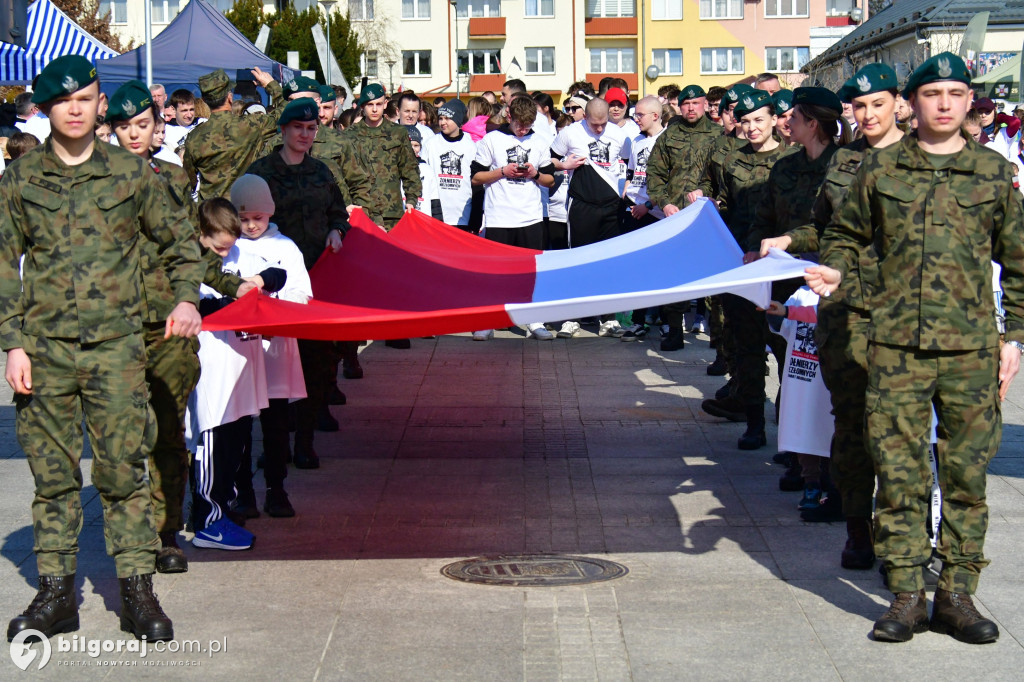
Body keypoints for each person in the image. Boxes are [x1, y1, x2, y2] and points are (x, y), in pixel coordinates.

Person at [805, 52, 1024, 645]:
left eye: (957, 92)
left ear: (969, 100)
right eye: (934, 93)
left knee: (965, 476)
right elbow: (845, 234)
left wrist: (1016, 339)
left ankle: (956, 594)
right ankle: (905, 593)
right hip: (895, 345)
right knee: (900, 474)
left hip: (971, 351)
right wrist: (834, 271)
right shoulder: (880, 171)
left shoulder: (993, 173)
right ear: (914, 102)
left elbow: (1020, 262)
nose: (946, 104)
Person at [1, 55, 204, 643]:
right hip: (44, 350)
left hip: (116, 350)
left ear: (97, 103)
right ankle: (56, 593)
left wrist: (186, 300)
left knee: (124, 473)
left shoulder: (131, 174)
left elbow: (179, 243)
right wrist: (12, 343)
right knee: (54, 476)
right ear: (45, 108)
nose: (75, 109)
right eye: (63, 102)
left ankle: (138, 589)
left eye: (86, 99)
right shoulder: (21, 178)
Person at [106, 79, 255, 572]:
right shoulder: (94, 179)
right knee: (123, 435)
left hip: (168, 324)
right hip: (113, 325)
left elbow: (188, 249)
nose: (133, 134)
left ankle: (166, 533)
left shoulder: (172, 178)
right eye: (123, 126)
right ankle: (131, 536)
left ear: (158, 125)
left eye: (142, 125)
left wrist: (234, 286)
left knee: (170, 430)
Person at [762, 63, 904, 565]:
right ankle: (857, 527)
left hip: (910, 320)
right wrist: (790, 240)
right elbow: (822, 229)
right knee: (849, 426)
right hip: (847, 316)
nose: (866, 114)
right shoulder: (842, 165)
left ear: (898, 105)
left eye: (877, 104)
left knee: (900, 432)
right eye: (858, 106)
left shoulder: (922, 160)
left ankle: (905, 538)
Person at [247, 98, 349, 469]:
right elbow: (241, 217)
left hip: (314, 284)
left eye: (311, 129)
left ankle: (304, 442)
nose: (305, 135)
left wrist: (337, 230)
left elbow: (339, 212)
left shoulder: (322, 172)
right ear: (283, 130)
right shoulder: (260, 173)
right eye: (298, 128)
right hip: (272, 285)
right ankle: (272, 447)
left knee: (315, 364)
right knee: (272, 369)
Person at [698, 90, 791, 443]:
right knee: (748, 347)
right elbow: (725, 205)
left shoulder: (792, 160)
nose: (751, 127)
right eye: (746, 120)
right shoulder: (730, 162)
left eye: (759, 120)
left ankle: (788, 422)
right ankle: (755, 423)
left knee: (785, 348)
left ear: (774, 121)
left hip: (781, 269)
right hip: (742, 263)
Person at [228, 175, 312, 519]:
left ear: (270, 213)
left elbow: (302, 294)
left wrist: (274, 309)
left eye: (258, 218)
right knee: (239, 428)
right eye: (243, 218)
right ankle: (244, 493)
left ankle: (277, 489)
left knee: (276, 426)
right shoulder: (227, 247)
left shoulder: (285, 248)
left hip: (275, 349)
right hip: (238, 353)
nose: (250, 226)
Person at [470, 95, 556, 341]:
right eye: (520, 124)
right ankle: (490, 320)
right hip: (499, 217)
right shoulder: (492, 139)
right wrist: (502, 171)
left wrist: (535, 174)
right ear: (509, 116)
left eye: (528, 125)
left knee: (529, 274)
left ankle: (533, 320)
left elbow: (550, 181)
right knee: (496, 273)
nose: (523, 129)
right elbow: (476, 178)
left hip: (530, 217)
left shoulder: (539, 142)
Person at [645, 84, 718, 351]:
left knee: (712, 279)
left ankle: (718, 339)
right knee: (674, 277)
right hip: (674, 218)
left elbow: (721, 179)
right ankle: (674, 331)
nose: (690, 108)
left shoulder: (719, 135)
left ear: (705, 105)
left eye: (695, 103)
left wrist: (707, 193)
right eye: (686, 103)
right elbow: (655, 174)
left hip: (707, 219)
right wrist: (663, 204)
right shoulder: (669, 135)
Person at [183, 67, 284, 202]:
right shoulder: (252, 125)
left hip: (211, 214)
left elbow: (188, 181)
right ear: (230, 97)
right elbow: (287, 111)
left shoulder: (194, 137)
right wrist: (271, 86)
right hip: (245, 210)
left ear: (205, 101)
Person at [619, 96, 666, 341]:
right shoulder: (636, 141)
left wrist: (648, 205)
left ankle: (668, 321)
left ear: (655, 116)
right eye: (635, 114)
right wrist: (627, 193)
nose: (636, 119)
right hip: (634, 209)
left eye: (640, 115)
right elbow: (632, 172)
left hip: (656, 213)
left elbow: (670, 183)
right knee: (637, 269)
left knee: (659, 270)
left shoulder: (666, 140)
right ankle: (637, 321)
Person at [422, 98, 479, 231]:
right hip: (438, 214)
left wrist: (475, 217)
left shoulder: (470, 145)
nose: (443, 122)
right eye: (441, 118)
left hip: (463, 214)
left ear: (458, 120)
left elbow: (476, 182)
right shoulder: (431, 144)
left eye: (447, 118)